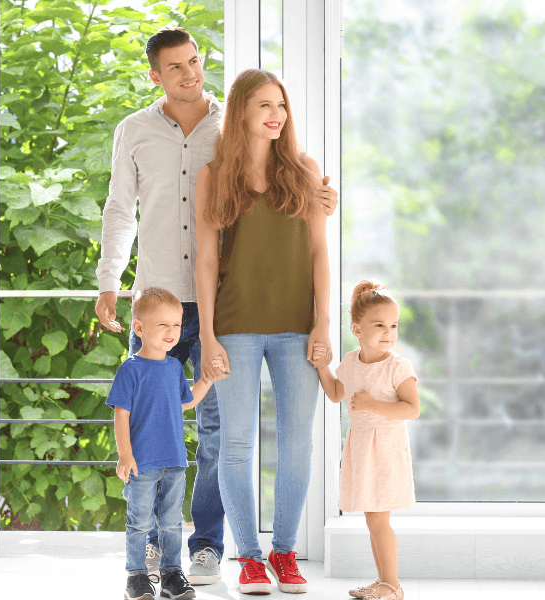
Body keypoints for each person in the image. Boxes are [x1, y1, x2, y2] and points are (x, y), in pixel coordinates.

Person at [95, 27, 339, 584]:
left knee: (217, 433)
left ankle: (210, 544)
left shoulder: (231, 130)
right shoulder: (135, 131)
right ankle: (154, 545)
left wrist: (322, 200)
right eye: (175, 67)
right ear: (155, 75)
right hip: (161, 296)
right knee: (152, 422)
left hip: (220, 308)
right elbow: (119, 209)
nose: (190, 73)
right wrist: (109, 279)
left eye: (195, 62)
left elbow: (302, 224)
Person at [195, 68, 333, 595]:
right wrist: (206, 336)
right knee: (235, 446)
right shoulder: (214, 176)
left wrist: (323, 322)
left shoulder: (304, 170)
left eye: (281, 106)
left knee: (297, 447)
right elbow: (206, 262)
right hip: (235, 327)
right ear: (241, 113)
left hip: (298, 327)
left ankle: (284, 553)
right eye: (263, 106)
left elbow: (319, 252)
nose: (276, 115)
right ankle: (249, 558)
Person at [108, 287, 227, 600]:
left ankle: (172, 574)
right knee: (138, 522)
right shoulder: (129, 370)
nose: (172, 332)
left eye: (176, 325)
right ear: (140, 328)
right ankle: (136, 577)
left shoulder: (174, 368)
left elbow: (185, 404)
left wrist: (208, 380)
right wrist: (125, 455)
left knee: (173, 522)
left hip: (174, 461)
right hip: (142, 462)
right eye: (163, 325)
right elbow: (121, 416)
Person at [311, 281, 421, 600]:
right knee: (373, 520)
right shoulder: (351, 362)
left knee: (378, 520)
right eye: (379, 325)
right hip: (361, 448)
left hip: (385, 450)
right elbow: (335, 393)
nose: (388, 332)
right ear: (357, 329)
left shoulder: (397, 366)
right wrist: (321, 365)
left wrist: (374, 405)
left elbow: (411, 408)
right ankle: (384, 580)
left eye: (393, 325)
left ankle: (392, 585)